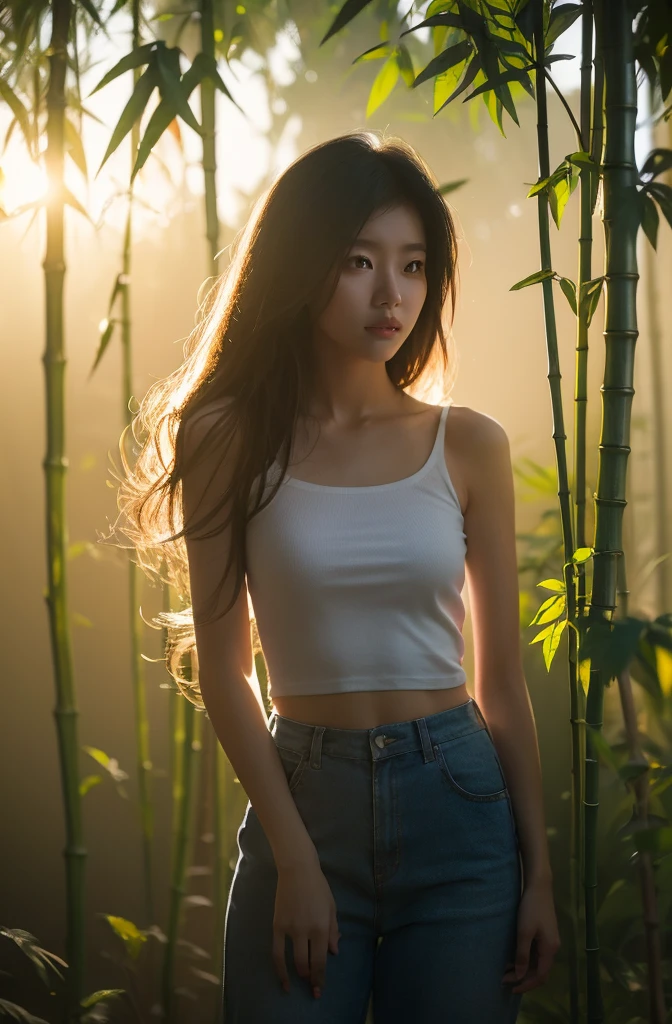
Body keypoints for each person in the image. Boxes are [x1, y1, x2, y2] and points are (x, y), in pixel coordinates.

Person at [117, 130, 560, 1022]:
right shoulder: (226, 438)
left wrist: (538, 873)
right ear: (303, 261)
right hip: (303, 801)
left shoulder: (468, 443)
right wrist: (294, 858)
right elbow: (223, 667)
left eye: (414, 265)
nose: (391, 294)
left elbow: (501, 682)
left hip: (460, 809)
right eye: (360, 260)